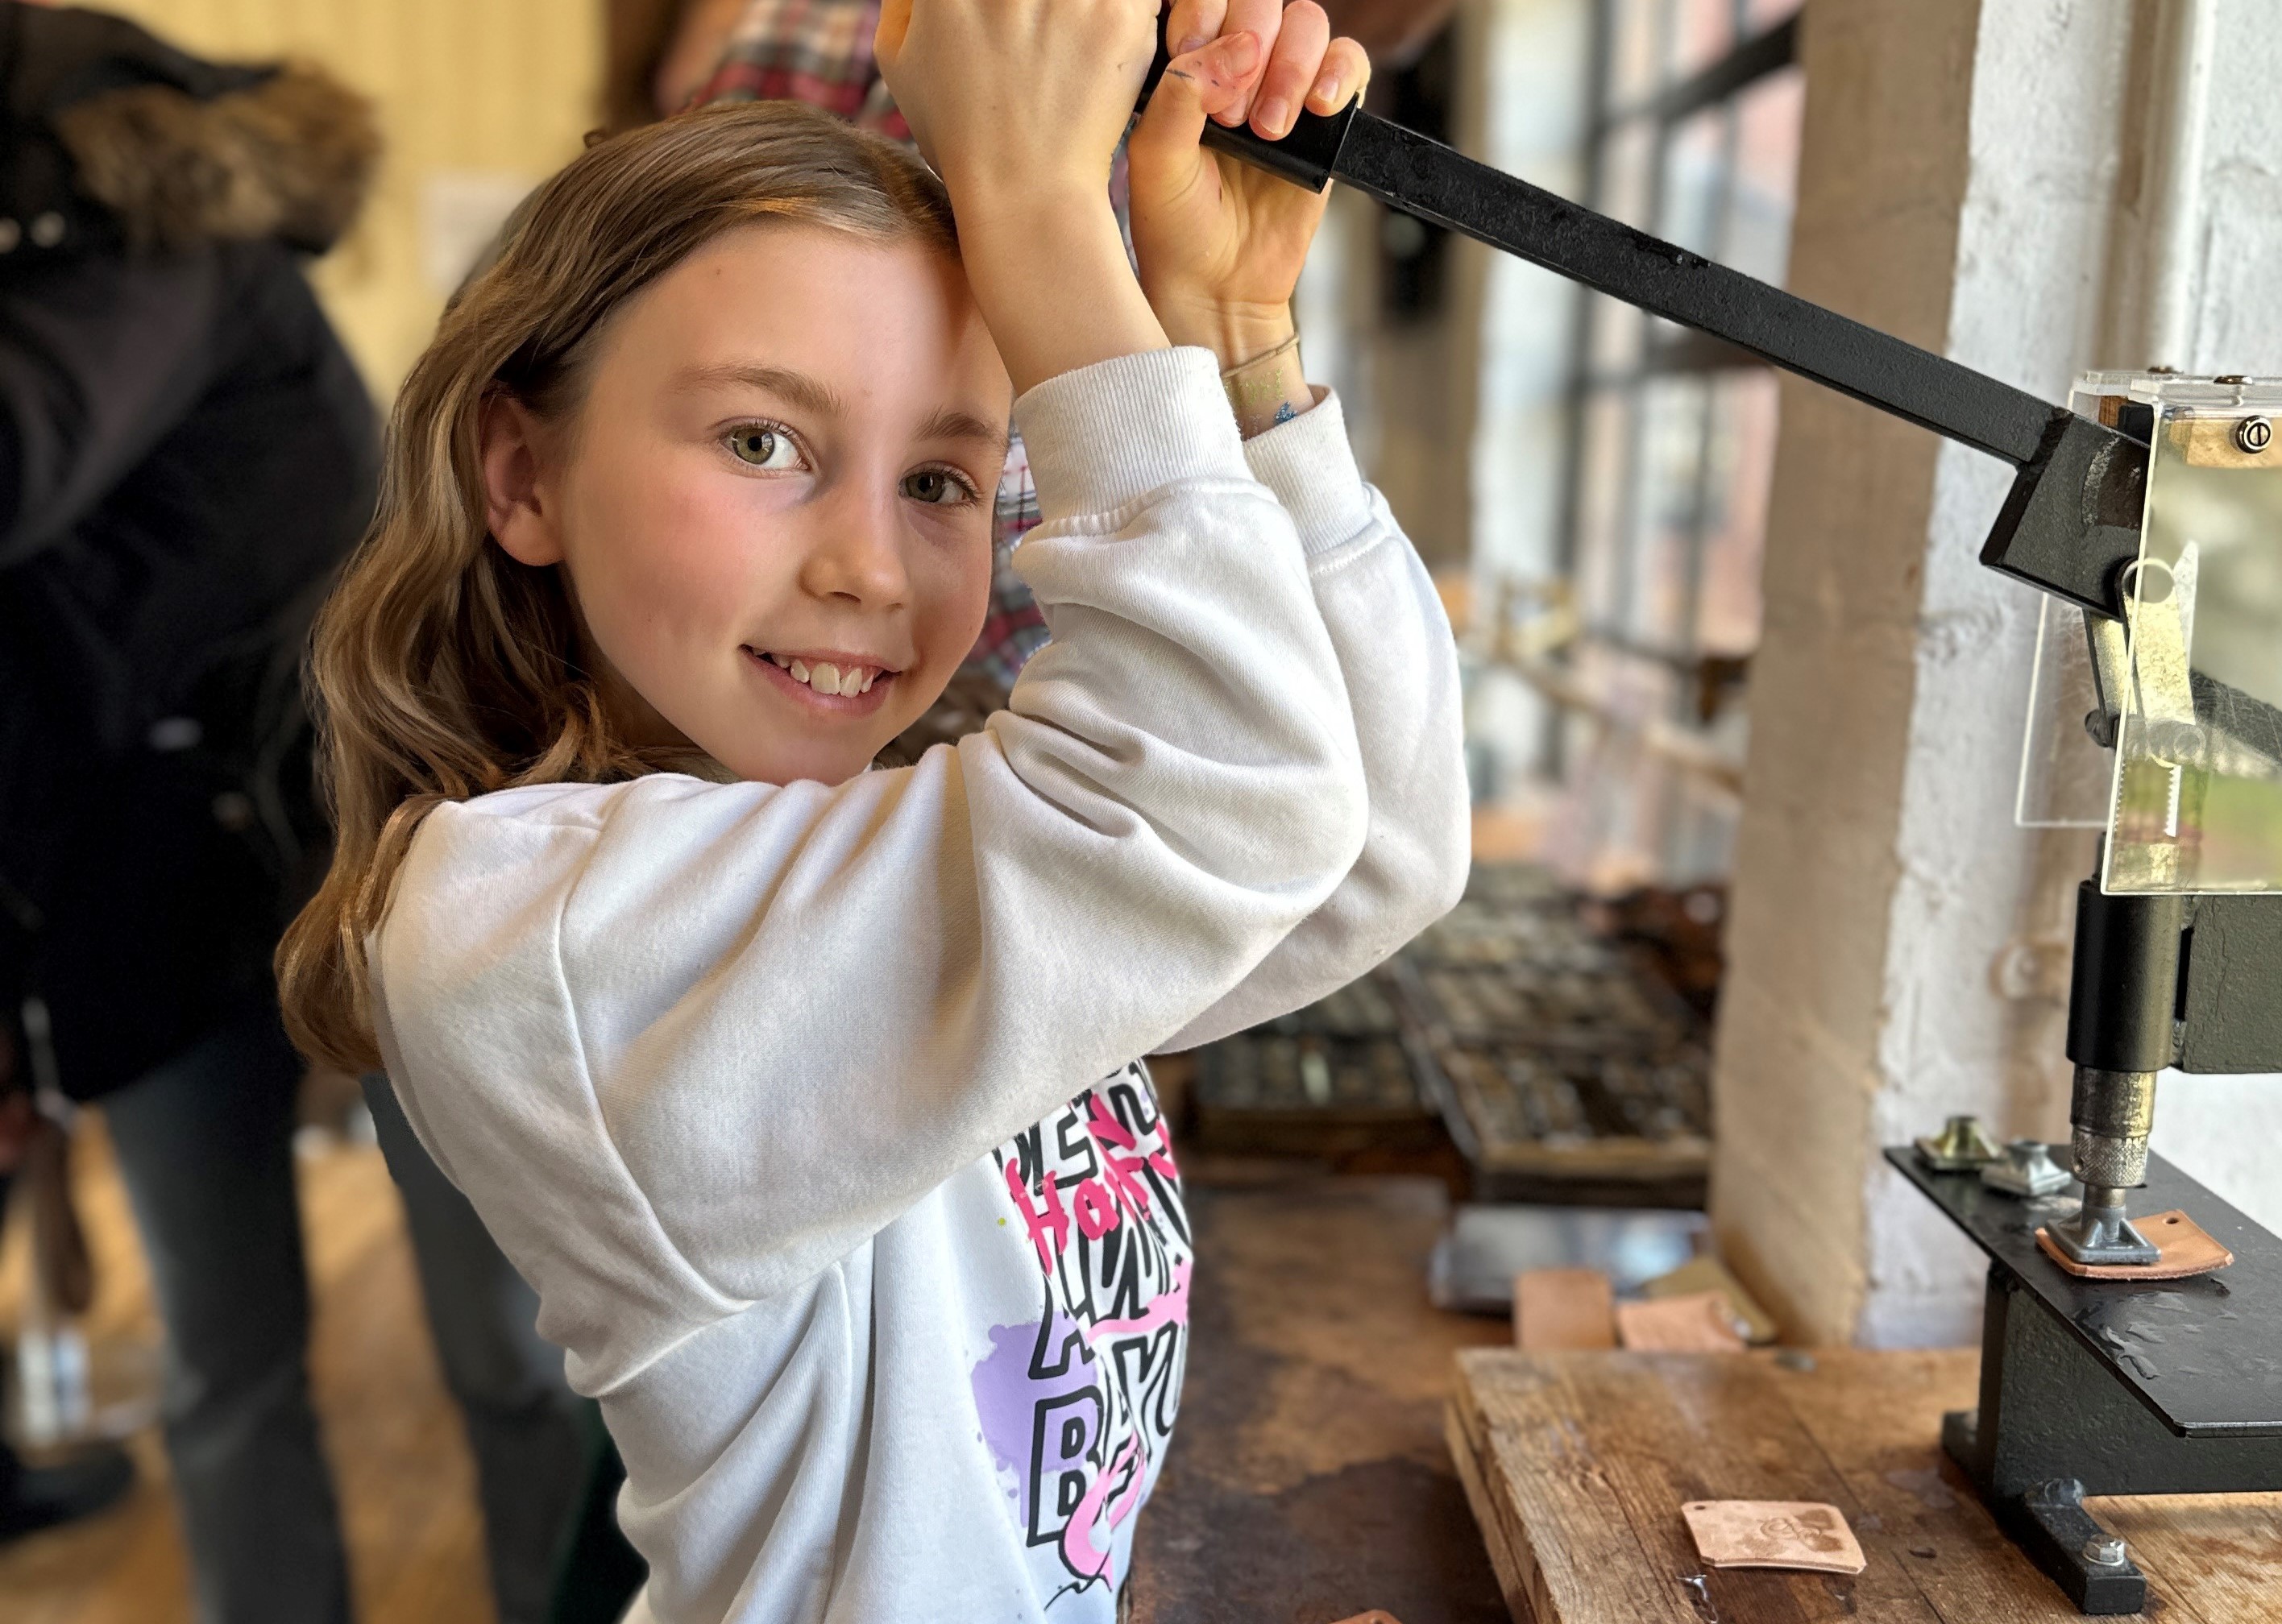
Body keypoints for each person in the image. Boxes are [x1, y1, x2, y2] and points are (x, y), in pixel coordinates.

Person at [276, 2, 1467, 1620]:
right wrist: (1042, 217)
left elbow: (1365, 851)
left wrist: (1236, 343)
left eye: (943, 481)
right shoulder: (537, 944)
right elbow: (1241, 797)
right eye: (764, 440)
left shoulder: (874, 837)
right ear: (523, 476)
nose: (870, 569)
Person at [0, 7, 589, 1619]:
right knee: (224, 1360)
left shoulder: (171, 255)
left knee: (504, 1350)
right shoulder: (90, 267)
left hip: (383, 858)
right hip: (144, 885)